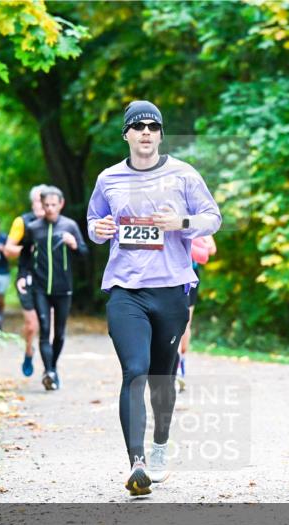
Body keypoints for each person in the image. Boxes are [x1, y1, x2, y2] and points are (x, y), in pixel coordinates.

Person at [87, 100, 221, 496]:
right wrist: (102, 228)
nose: (145, 132)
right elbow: (93, 224)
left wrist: (179, 223)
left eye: (152, 126)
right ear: (126, 134)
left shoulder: (183, 174)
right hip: (126, 291)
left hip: (171, 290)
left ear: (160, 134)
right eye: (137, 126)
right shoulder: (108, 178)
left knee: (162, 377)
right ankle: (137, 463)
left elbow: (212, 218)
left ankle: (160, 443)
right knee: (135, 370)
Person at [21, 186, 86, 391]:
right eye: (46, 205)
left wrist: (74, 244)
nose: (49, 209)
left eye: (53, 205)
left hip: (63, 288)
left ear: (61, 204)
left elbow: (84, 255)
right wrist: (23, 276)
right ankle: (49, 371)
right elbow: (25, 255)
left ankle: (52, 368)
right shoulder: (33, 228)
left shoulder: (70, 226)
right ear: (41, 204)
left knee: (59, 333)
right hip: (40, 288)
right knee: (44, 329)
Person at [4, 185, 47, 376]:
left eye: (45, 200)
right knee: (32, 325)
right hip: (27, 277)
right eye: (39, 200)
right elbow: (8, 250)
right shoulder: (22, 222)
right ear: (33, 202)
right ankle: (29, 351)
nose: (42, 204)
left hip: (49, 278)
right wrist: (28, 250)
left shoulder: (56, 223)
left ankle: (50, 368)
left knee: (49, 325)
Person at [177, 234, 217, 391]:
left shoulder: (196, 220)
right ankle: (173, 366)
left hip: (190, 277)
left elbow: (211, 249)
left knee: (184, 323)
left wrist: (194, 245)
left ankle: (180, 361)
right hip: (166, 274)